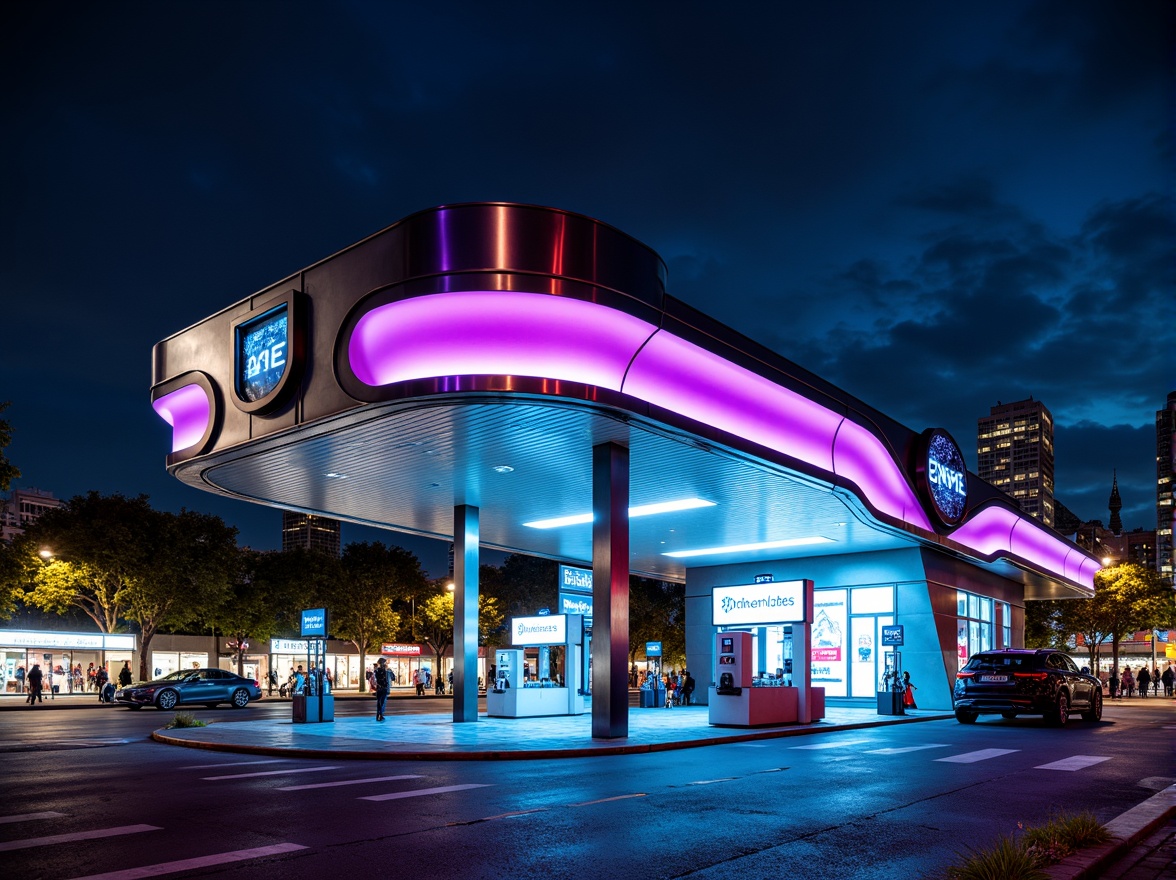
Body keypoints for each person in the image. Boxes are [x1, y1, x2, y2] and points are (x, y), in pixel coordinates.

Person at [373, 657, 390, 721]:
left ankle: (379, 715)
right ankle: (380, 715)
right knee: (382, 702)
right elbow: (385, 680)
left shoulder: (377, 670)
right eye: (384, 662)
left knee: (379, 702)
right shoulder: (383, 671)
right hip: (382, 688)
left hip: (379, 688)